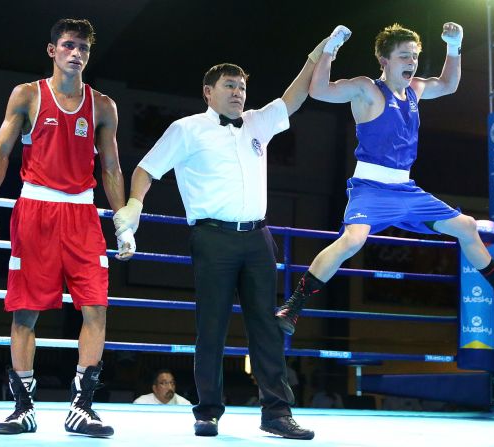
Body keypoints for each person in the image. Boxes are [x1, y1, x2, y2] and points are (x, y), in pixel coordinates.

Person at [110, 27, 355, 439]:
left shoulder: (258, 122)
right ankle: (207, 411)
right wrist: (134, 206)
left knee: (268, 326)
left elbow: (294, 97)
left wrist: (318, 54)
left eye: (242, 86)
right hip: (212, 238)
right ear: (209, 92)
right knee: (212, 327)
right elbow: (145, 170)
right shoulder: (187, 129)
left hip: (258, 238)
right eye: (230, 85)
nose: (239, 92)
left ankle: (276, 413)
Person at [274, 22, 494, 336]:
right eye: (404, 56)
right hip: (371, 189)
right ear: (384, 60)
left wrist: (454, 46)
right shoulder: (367, 89)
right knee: (353, 240)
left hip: (406, 190)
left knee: (467, 226)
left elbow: (448, 84)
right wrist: (330, 49)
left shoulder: (415, 89)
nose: (411, 62)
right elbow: (319, 90)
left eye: (414, 56)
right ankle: (293, 305)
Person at [0, 18, 135, 438]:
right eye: (68, 45)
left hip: (82, 215)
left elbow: (112, 167)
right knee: (25, 310)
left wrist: (122, 221)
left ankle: (82, 407)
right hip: (36, 209)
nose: (76, 53)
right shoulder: (27, 95)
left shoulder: (102, 105)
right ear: (52, 50)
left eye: (82, 47)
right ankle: (23, 407)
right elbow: (1, 151)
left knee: (96, 307)